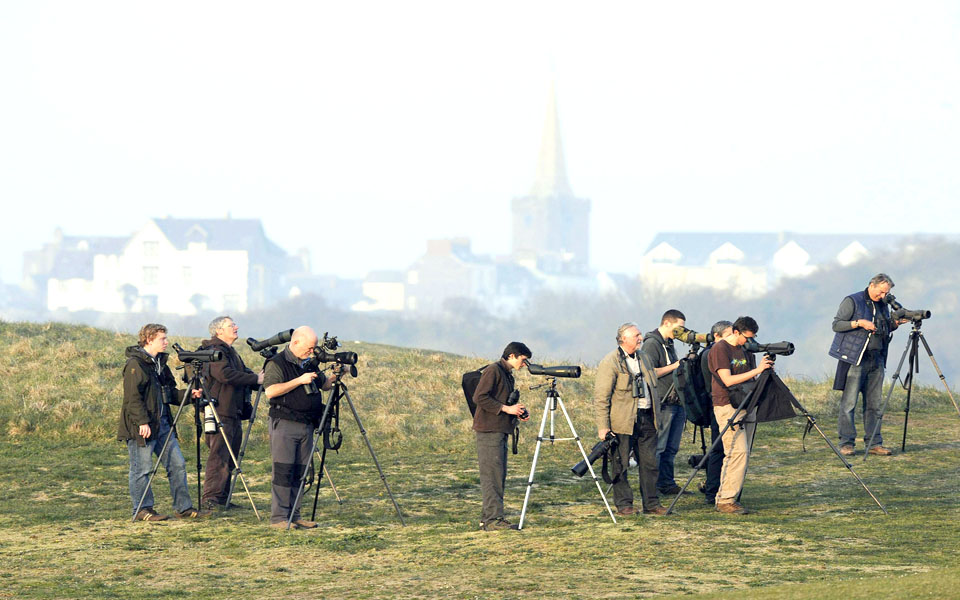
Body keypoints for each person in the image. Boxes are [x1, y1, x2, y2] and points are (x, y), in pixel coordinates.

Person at [118, 323, 205, 521]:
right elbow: (132, 398)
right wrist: (142, 422)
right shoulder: (135, 365)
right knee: (142, 468)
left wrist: (189, 395)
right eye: (162, 339)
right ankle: (142, 509)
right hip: (143, 426)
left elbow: (170, 393)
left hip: (163, 424)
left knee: (178, 464)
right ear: (149, 340)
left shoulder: (160, 364)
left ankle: (183, 507)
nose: (166, 342)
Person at [263, 326, 337, 529]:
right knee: (283, 471)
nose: (311, 352)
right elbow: (270, 391)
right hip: (285, 423)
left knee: (301, 472)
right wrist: (298, 380)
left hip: (306, 424)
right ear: (295, 343)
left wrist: (337, 375)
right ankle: (278, 518)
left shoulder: (309, 363)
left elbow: (324, 385)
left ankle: (295, 515)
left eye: (313, 348)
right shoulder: (277, 363)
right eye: (309, 348)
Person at [594, 323, 667, 516]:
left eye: (640, 335)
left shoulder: (644, 357)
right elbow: (602, 397)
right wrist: (603, 427)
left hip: (647, 417)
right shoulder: (610, 361)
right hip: (623, 421)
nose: (640, 338)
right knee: (620, 463)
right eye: (636, 335)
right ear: (623, 339)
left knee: (650, 463)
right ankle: (624, 504)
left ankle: (651, 503)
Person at [829, 273, 904, 456]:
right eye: (880, 292)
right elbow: (837, 325)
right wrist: (858, 323)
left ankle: (874, 443)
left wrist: (894, 324)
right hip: (856, 359)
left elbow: (882, 328)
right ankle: (847, 443)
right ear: (872, 285)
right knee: (849, 404)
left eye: (885, 293)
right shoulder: (852, 301)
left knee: (874, 405)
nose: (882, 296)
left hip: (877, 359)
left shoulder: (883, 305)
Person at [707, 316, 773, 514]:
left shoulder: (745, 349)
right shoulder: (720, 349)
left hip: (747, 403)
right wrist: (758, 369)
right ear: (736, 332)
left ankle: (732, 496)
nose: (749, 341)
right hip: (727, 405)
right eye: (746, 337)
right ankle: (724, 499)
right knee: (737, 451)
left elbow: (750, 376)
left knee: (744, 452)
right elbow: (727, 380)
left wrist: (762, 371)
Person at [199, 316, 264, 511]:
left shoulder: (230, 352)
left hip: (233, 411)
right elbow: (225, 375)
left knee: (231, 456)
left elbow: (243, 373)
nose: (236, 327)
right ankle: (211, 498)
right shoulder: (215, 352)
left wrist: (260, 378)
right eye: (231, 325)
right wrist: (255, 378)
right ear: (219, 331)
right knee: (218, 456)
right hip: (220, 411)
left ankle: (223, 498)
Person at [472, 342, 531, 531]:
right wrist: (507, 409)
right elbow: (479, 397)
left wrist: (517, 411)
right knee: (492, 476)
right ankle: (493, 520)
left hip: (499, 430)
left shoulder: (506, 374)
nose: (525, 365)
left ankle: (489, 518)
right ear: (512, 356)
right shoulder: (493, 370)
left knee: (497, 475)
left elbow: (499, 400)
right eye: (523, 360)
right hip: (489, 431)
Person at [641, 309, 687, 496]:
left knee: (671, 447)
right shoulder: (652, 343)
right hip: (663, 400)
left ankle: (667, 483)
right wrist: (675, 366)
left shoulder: (669, 343)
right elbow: (649, 372)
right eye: (679, 327)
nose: (681, 332)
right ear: (667, 323)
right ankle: (653, 486)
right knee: (659, 446)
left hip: (676, 400)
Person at [698, 320, 733, 505]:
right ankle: (713, 491)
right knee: (718, 449)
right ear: (717, 336)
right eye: (728, 335)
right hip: (716, 405)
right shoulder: (712, 353)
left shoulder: (716, 352)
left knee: (719, 449)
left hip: (716, 404)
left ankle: (717, 489)